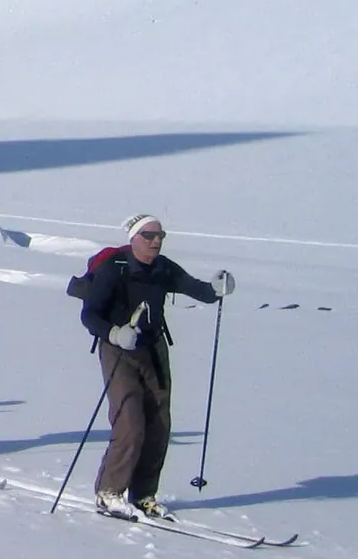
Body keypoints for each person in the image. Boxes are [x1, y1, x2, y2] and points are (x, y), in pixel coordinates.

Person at [81, 214, 232, 520]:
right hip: (118, 349)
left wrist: (217, 288)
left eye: (160, 235)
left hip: (153, 348)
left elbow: (198, 290)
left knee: (159, 424)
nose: (156, 241)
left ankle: (143, 495)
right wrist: (114, 334)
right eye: (149, 235)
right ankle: (109, 493)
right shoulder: (114, 269)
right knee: (130, 421)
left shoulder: (163, 268)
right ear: (133, 238)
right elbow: (89, 314)